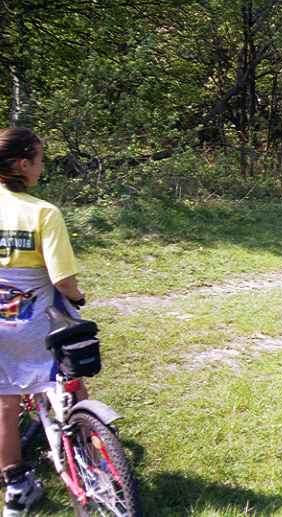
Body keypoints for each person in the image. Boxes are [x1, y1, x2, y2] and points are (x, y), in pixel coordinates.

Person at [0, 128, 85, 516]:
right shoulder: (43, 213)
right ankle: (91, 444)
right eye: (39, 159)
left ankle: (16, 487)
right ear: (23, 164)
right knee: (70, 370)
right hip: (34, 322)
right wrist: (77, 298)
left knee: (5, 400)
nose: (42, 166)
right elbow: (62, 280)